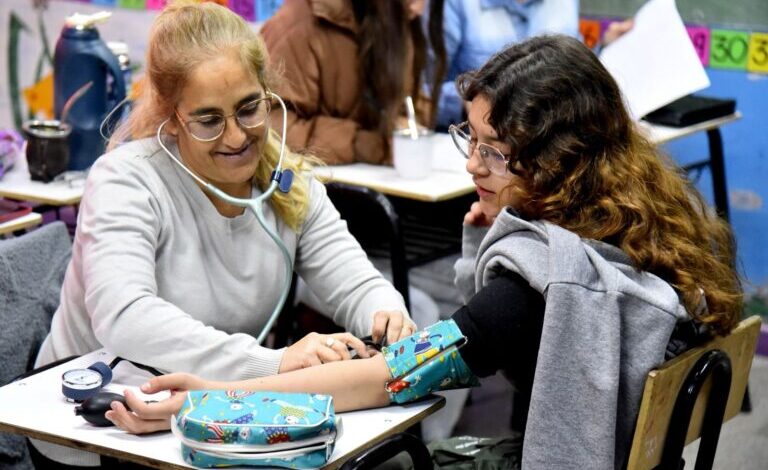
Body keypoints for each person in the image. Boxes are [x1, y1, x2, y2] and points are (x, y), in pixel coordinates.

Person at [106, 35, 742, 469]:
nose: (472, 164)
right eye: (471, 136)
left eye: (493, 150)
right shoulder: (646, 221)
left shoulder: (541, 284)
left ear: (559, 160)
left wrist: (208, 397)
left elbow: (391, 376)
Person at [32, 1, 416, 466]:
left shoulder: (285, 180)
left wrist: (388, 314)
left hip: (209, 412)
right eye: (210, 120)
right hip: (92, 430)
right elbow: (126, 315)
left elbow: (354, 280)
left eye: (249, 108)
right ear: (172, 118)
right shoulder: (125, 180)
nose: (236, 137)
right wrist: (273, 365)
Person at [259, 0, 437, 165]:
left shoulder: (394, 19)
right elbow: (271, 127)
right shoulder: (296, 27)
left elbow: (414, 105)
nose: (420, 7)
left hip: (385, 179)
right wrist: (362, 144)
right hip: (312, 185)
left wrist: (405, 125)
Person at [431, 0, 579, 129]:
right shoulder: (456, 4)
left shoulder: (566, 3)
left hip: (550, 146)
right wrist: (466, 102)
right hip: (475, 145)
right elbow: (419, 89)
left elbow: (580, 81)